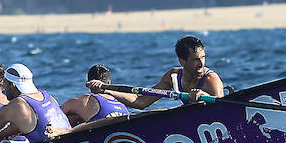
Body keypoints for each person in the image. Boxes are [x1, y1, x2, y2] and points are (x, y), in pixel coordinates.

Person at [91, 35, 225, 110]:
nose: (201, 63)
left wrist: (204, 96)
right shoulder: (173, 76)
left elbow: (223, 108)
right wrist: (106, 91)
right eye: (196, 59)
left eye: (203, 57)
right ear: (182, 61)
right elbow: (141, 102)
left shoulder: (211, 80)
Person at [0, 63, 71, 143]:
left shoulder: (17, 104)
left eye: (6, 83)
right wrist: (1, 135)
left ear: (13, 85)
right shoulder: (47, 95)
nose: (4, 87)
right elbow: (33, 122)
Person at [60, 64, 131, 126]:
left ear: (88, 83)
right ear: (109, 82)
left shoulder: (84, 100)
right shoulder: (121, 101)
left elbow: (54, 114)